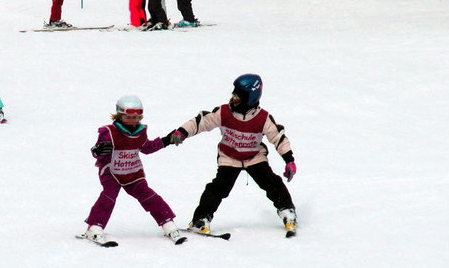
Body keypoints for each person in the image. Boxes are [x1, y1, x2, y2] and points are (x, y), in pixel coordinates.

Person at [166, 74, 298, 236]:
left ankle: (287, 210)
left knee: (272, 183)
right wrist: (183, 132)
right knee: (218, 189)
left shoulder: (263, 118)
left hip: (254, 157)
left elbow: (278, 138)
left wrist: (289, 160)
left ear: (250, 98)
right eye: (234, 93)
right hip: (229, 158)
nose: (233, 97)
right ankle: (200, 219)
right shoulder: (224, 112)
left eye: (239, 95)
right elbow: (202, 121)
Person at [82, 95, 187, 245]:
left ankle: (168, 224)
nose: (133, 121)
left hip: (133, 172)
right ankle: (94, 227)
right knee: (108, 197)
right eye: (128, 117)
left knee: (149, 197)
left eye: (137, 117)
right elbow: (97, 151)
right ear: (119, 115)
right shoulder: (109, 132)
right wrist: (98, 150)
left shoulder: (140, 131)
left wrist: (166, 140)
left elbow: (147, 148)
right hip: (111, 172)